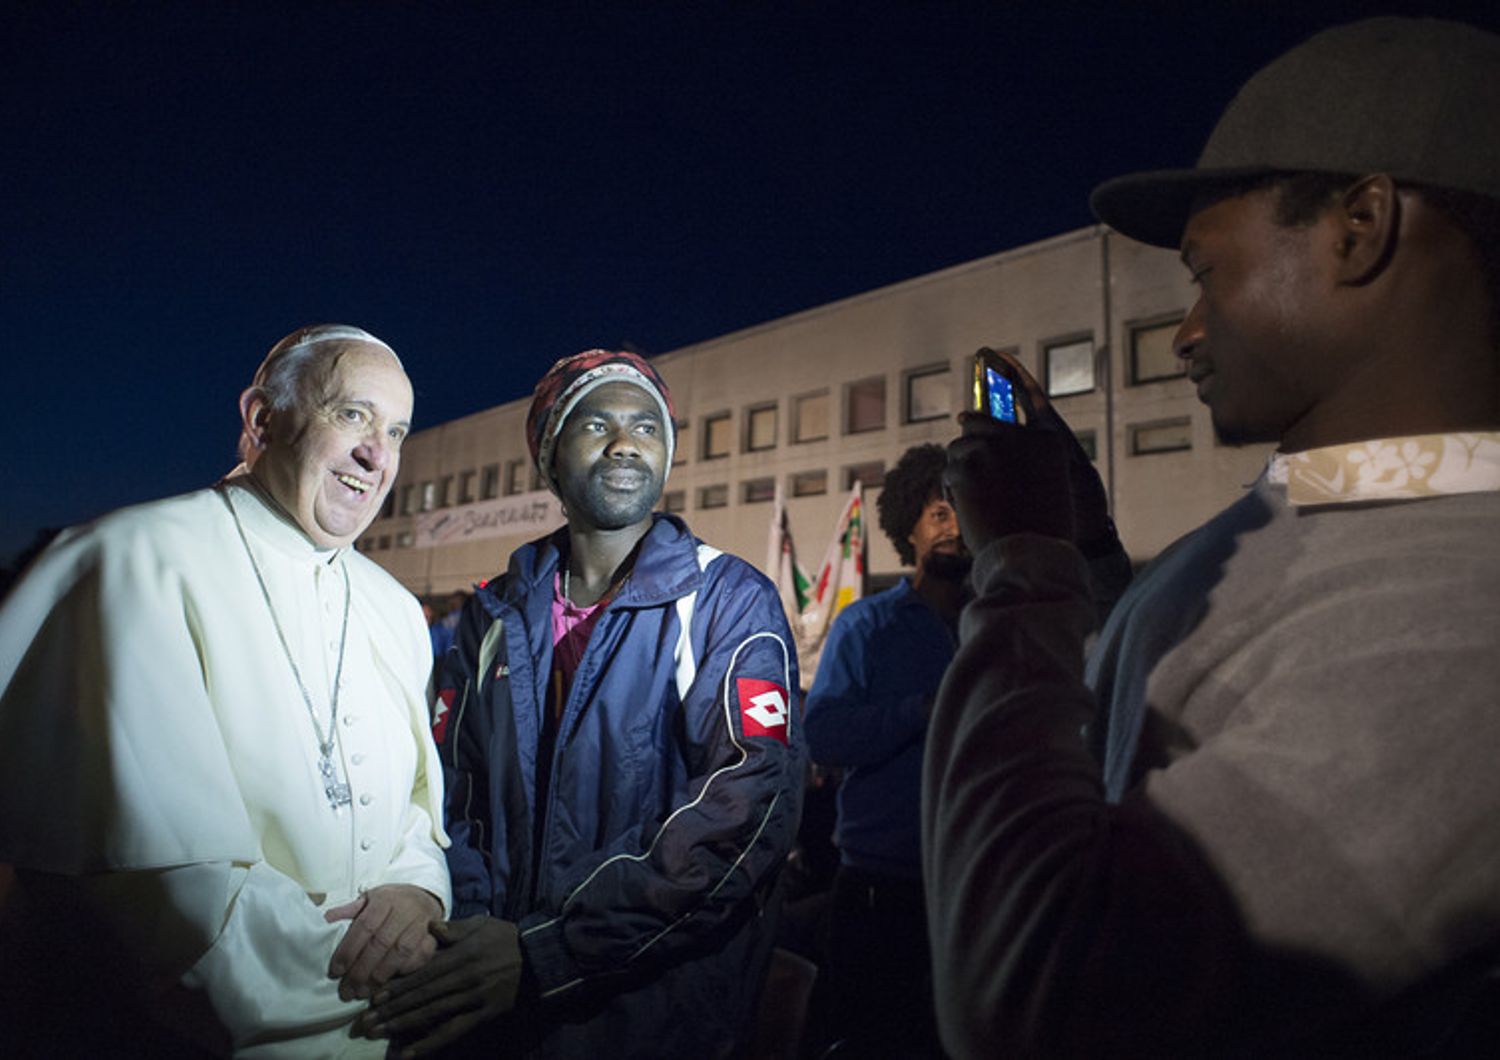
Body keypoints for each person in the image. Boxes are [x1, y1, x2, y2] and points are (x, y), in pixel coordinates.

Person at [925, 17, 1500, 1057]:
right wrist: (1092, 550)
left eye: (1206, 272)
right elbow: (1153, 705)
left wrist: (1021, 569)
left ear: (1360, 228)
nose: (1190, 330)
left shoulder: (1466, 612)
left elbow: (1040, 992)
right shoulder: (1337, 504)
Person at [0, 325, 451, 1056]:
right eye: (352, 415)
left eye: (396, 430)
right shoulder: (132, 564)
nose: (378, 456)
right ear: (261, 418)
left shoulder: (394, 608)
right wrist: (397, 984)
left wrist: (417, 894)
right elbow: (167, 912)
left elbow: (415, 812)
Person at [364, 349, 804, 1057]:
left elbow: (743, 815)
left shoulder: (727, 600)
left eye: (647, 427)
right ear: (549, 459)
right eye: (596, 424)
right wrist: (473, 934)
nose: (626, 441)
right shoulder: (490, 616)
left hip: (654, 1020)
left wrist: (545, 953)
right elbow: (449, 795)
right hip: (490, 1005)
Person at [800, 444, 962, 1056]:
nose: (951, 526)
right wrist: (922, 710)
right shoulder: (867, 625)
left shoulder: (996, 626)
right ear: (909, 529)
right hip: (880, 891)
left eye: (961, 512)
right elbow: (825, 734)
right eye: (937, 513)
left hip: (975, 889)